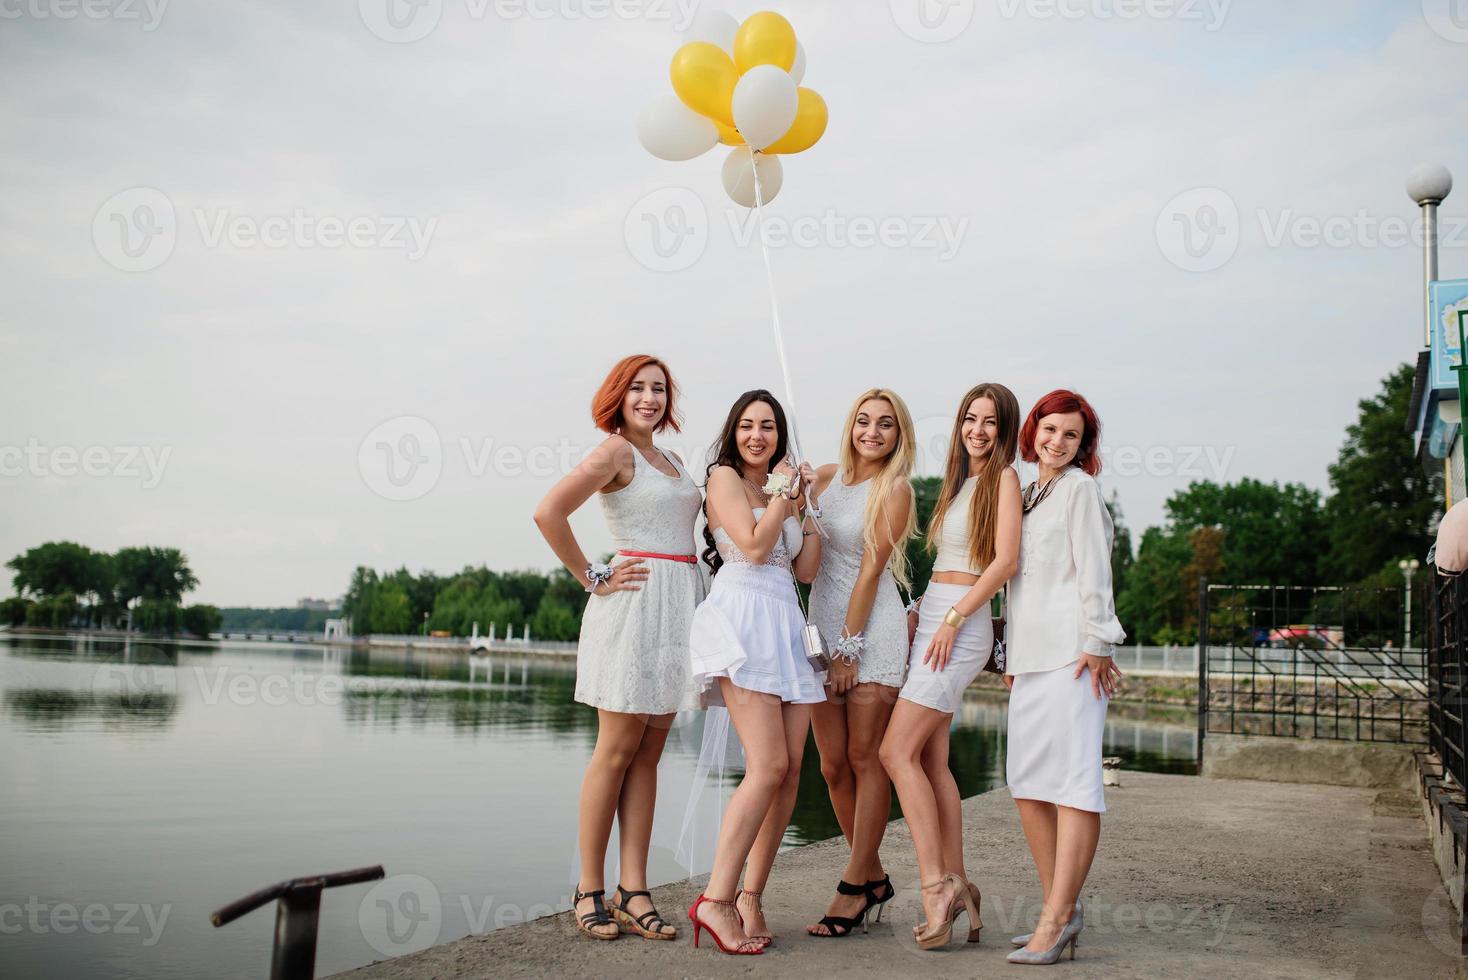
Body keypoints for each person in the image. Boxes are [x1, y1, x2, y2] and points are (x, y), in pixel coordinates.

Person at [532, 354, 703, 942]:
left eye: (658, 389)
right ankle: (588, 889)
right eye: (638, 388)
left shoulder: (673, 459)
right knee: (615, 750)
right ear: (618, 395)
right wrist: (592, 576)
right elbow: (548, 511)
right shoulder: (613, 452)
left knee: (650, 756)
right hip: (632, 611)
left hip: (677, 612)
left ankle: (635, 889)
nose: (649, 398)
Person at [877, 382, 1021, 950]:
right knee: (933, 760)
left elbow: (1005, 561)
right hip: (936, 618)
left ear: (1005, 429)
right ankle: (959, 882)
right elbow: (949, 566)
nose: (977, 431)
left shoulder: (1004, 478)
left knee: (895, 752)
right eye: (969, 419)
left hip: (959, 629)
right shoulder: (961, 484)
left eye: (989, 422)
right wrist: (920, 612)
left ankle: (936, 886)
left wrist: (955, 619)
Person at [685, 389, 823, 955]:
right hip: (741, 618)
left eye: (768, 426)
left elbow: (806, 568)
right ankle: (715, 899)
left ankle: (750, 894)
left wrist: (805, 506)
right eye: (747, 425)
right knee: (766, 766)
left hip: (786, 623)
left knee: (789, 773)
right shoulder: (723, 480)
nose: (757, 435)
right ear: (733, 432)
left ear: (780, 435)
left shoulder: (783, 491)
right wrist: (784, 500)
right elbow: (753, 546)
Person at [1003, 389, 1126, 966]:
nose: (1057, 442)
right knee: (1027, 783)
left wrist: (1100, 641)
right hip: (1030, 657)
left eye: (1070, 435)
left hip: (1074, 657)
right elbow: (1017, 581)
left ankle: (1054, 920)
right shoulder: (1029, 493)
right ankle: (1062, 904)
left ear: (1083, 444)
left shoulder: (1080, 489)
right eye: (1050, 430)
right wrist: (1010, 657)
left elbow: (1095, 570)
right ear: (1034, 431)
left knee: (1076, 786)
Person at [804, 388, 917, 937]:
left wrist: (849, 649)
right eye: (864, 421)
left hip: (871, 632)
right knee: (830, 765)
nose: (872, 432)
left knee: (864, 755)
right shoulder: (824, 478)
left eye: (886, 425)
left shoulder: (894, 489)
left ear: (900, 435)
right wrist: (792, 490)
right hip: (819, 629)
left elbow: (872, 572)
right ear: (851, 426)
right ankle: (872, 875)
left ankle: (853, 886)